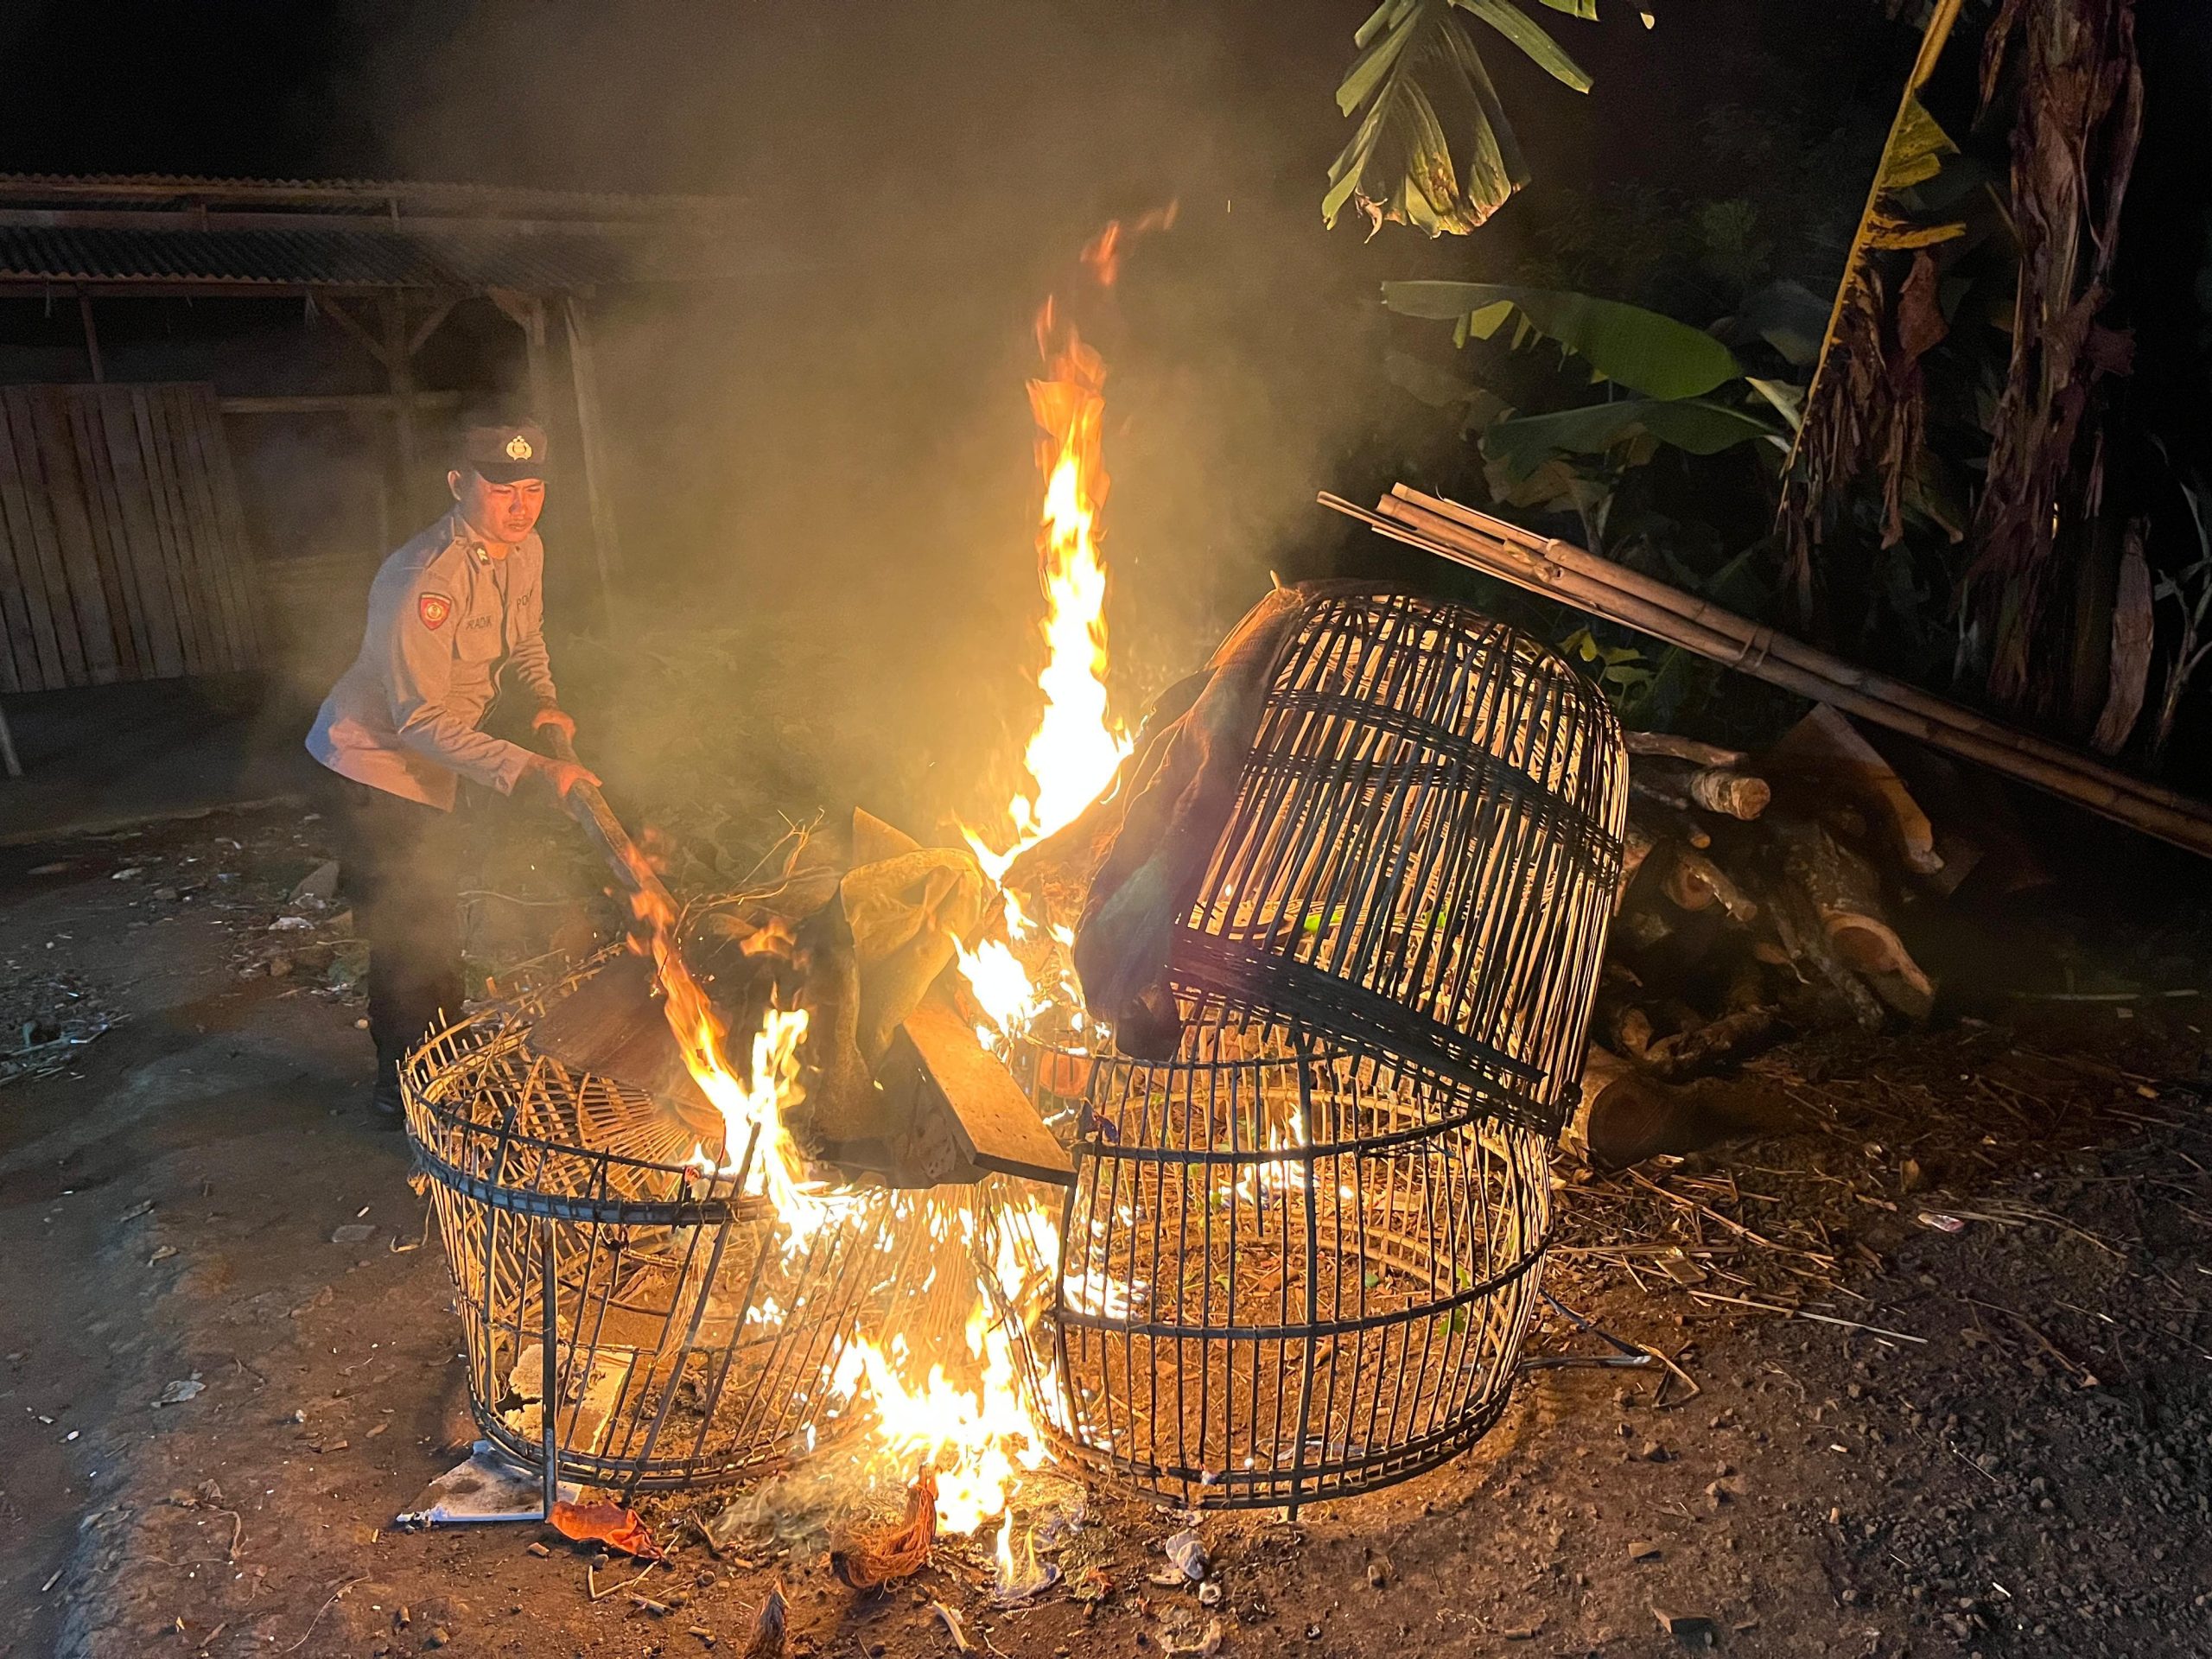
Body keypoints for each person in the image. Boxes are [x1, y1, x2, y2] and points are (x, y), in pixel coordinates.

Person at [306, 419, 599, 1122]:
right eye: (503, 491)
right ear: (459, 485)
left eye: (533, 490)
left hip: (432, 767)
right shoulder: (423, 579)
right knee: (410, 931)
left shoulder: (523, 549)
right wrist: (531, 770)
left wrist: (546, 704)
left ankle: (443, 1070)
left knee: (436, 923)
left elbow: (527, 636)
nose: (521, 506)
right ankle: (403, 1094)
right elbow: (419, 721)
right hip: (372, 767)